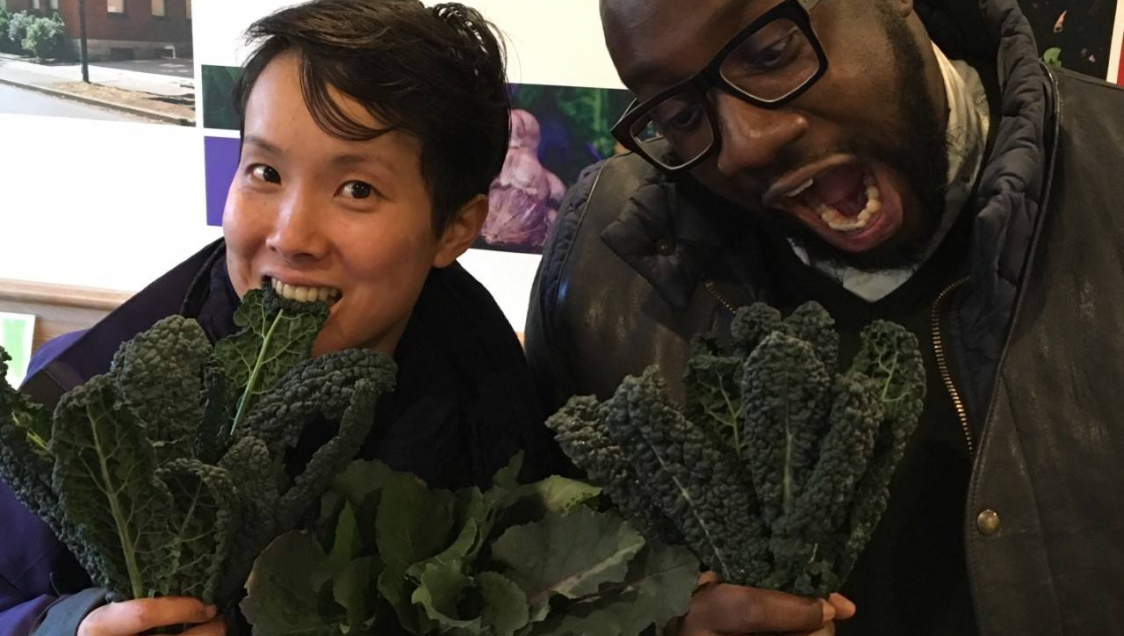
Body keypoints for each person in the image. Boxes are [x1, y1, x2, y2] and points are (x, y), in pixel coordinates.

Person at [526, 0, 1124, 634]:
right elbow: (538, 581)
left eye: (770, 53)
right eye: (680, 114)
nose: (746, 146)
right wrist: (658, 618)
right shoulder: (595, 256)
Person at [0, 1, 562, 634]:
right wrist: (66, 625)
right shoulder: (79, 394)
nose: (292, 236)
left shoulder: (501, 416)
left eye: (358, 189)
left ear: (456, 227)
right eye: (265, 172)